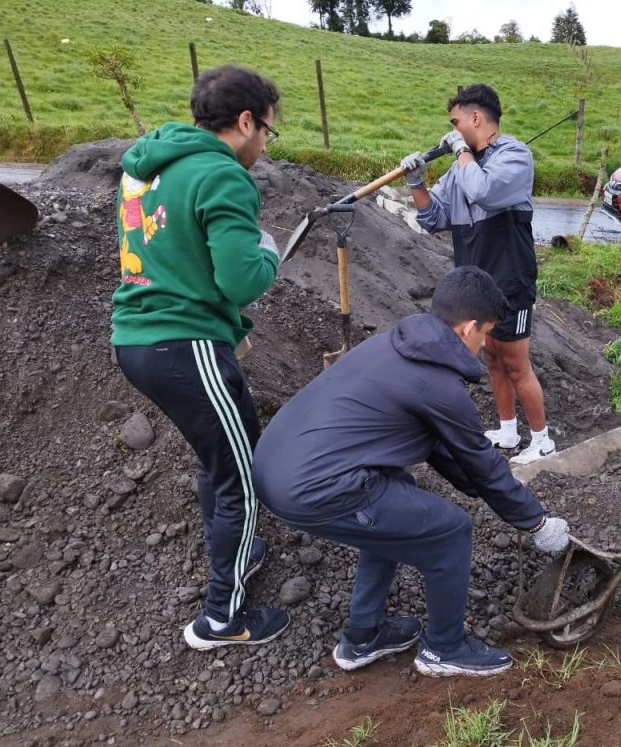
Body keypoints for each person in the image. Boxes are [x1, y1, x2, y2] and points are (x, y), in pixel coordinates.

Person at [252, 266, 570, 677]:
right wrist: (536, 523)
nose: (484, 344)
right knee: (450, 531)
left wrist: (478, 487)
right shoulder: (437, 384)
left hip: (274, 465)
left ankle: (364, 635)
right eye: (485, 334)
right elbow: (481, 460)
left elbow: (439, 445)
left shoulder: (390, 345)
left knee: (394, 496)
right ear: (468, 327)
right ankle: (444, 647)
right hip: (313, 486)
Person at [111, 65, 290, 650]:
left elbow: (166, 255)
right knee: (244, 471)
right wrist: (269, 249)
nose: (264, 144)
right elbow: (240, 277)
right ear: (245, 122)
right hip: (184, 342)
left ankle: (241, 547)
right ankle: (222, 619)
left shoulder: (147, 171)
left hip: (137, 338)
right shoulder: (223, 175)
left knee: (222, 450)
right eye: (267, 130)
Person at [398, 84, 553, 465]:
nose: (452, 129)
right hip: (475, 280)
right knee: (494, 359)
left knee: (516, 362)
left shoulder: (515, 156)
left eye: (455, 122)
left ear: (476, 118)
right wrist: (417, 183)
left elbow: (484, 192)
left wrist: (461, 151)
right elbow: (434, 218)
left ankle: (542, 440)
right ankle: (506, 430)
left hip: (510, 277)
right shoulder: (459, 169)